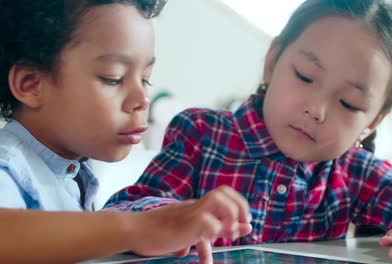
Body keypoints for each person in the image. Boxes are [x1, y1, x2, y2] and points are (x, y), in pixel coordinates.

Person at [104, 0, 392, 263]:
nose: (317, 109)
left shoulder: (353, 171)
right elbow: (119, 214)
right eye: (305, 77)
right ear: (273, 61)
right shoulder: (202, 133)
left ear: (373, 120)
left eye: (350, 104)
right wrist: (175, 217)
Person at [0, 0, 251, 263]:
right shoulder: (9, 166)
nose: (142, 99)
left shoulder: (71, 175)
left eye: (145, 79)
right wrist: (137, 228)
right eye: (114, 78)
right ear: (31, 84)